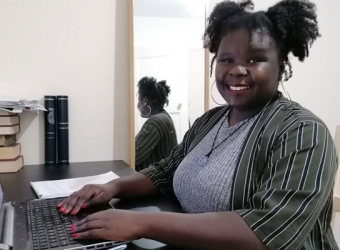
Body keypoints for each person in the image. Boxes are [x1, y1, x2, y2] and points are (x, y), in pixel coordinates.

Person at [57, 0, 339, 249]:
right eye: (226, 59)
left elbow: (269, 232)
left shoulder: (303, 133)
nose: (237, 69)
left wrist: (143, 223)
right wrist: (113, 188)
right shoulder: (209, 121)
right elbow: (166, 171)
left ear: (280, 67)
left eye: (255, 59)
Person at [135, 76, 178, 171]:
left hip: (155, 182)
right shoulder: (165, 116)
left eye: (139, 100)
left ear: (145, 101)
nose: (137, 105)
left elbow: (134, 156)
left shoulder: (153, 123)